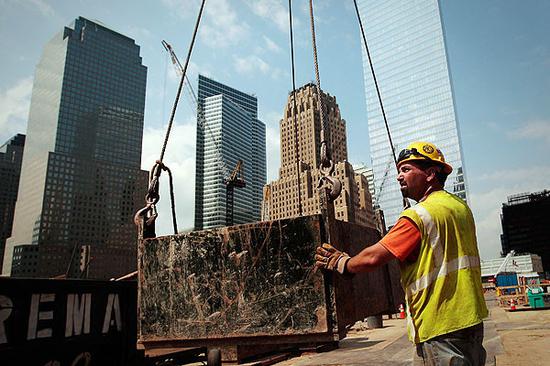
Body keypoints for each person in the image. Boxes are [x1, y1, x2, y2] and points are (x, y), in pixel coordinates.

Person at [315, 141, 488, 366]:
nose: (399, 177)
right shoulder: (460, 207)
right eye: (398, 171)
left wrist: (342, 263)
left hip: (440, 324)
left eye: (406, 170)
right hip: (471, 320)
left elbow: (374, 257)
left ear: (430, 174)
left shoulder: (419, 215)